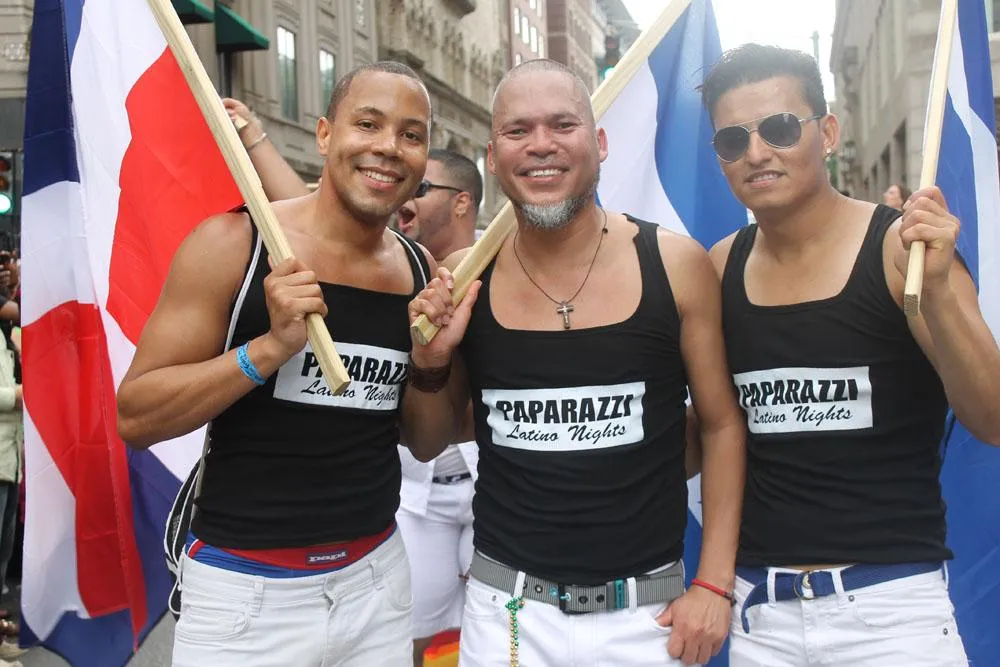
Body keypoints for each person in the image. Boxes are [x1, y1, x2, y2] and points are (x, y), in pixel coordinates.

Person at [404, 59, 747, 667]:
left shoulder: (675, 264)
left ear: (601, 143)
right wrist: (429, 362)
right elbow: (429, 442)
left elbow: (721, 425)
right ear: (492, 157)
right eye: (518, 130)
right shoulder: (464, 278)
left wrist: (715, 583)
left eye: (563, 125)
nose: (541, 145)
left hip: (646, 616)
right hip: (507, 616)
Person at [117, 61, 435, 667]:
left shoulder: (419, 270)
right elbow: (136, 416)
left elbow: (424, 441)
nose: (389, 147)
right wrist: (267, 349)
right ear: (325, 134)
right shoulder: (234, 244)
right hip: (246, 598)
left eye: (411, 134)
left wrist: (432, 363)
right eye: (368, 124)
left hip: (376, 586)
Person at [699, 43, 1000, 666]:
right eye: (732, 140)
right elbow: (709, 429)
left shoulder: (901, 252)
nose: (757, 153)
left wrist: (937, 294)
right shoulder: (720, 267)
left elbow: (992, 417)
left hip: (893, 613)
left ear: (828, 133)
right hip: (763, 615)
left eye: (780, 128)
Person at [395, 149, 483, 666]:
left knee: (497, 629)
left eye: (420, 189)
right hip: (417, 497)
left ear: (461, 203)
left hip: (495, 489)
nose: (404, 197)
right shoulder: (393, 265)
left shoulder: (511, 263)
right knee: (411, 636)